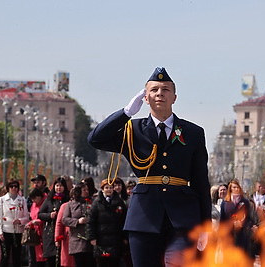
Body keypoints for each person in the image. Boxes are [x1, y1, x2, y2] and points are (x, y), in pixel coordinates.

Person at [88, 67, 211, 267]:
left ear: (175, 97)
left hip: (183, 215)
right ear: (145, 97)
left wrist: (206, 224)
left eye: (165, 90)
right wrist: (126, 113)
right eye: (153, 90)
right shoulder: (132, 129)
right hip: (144, 216)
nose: (159, 94)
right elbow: (95, 139)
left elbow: (200, 180)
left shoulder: (193, 132)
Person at [89, 179, 128, 267]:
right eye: (106, 188)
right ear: (102, 189)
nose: (109, 190)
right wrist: (92, 237)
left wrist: (125, 237)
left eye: (111, 188)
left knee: (114, 262)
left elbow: (124, 220)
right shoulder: (96, 203)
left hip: (115, 239)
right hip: (101, 240)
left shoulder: (119, 202)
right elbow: (91, 221)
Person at [0, 180, 30, 267]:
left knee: (17, 256)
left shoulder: (22, 200)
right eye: (11, 186)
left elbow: (27, 217)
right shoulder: (2, 200)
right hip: (5, 231)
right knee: (5, 256)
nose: (14, 188)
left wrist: (20, 221)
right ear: (8, 188)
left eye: (16, 186)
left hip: (18, 232)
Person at [38, 177, 70, 267]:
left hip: (62, 232)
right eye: (57, 185)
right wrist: (49, 215)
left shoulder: (67, 199)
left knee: (61, 258)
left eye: (61, 186)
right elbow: (40, 214)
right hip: (49, 232)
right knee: (50, 258)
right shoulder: (49, 199)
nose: (59, 188)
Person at [220, 179, 255, 260]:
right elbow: (222, 220)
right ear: (230, 189)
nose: (236, 189)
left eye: (237, 187)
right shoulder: (225, 203)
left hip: (242, 235)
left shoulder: (245, 202)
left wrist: (243, 223)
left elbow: (249, 218)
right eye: (234, 187)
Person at [62, 182, 95, 267]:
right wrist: (77, 221)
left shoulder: (92, 202)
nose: (86, 191)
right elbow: (64, 220)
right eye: (84, 190)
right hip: (77, 240)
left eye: (87, 189)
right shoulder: (71, 204)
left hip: (90, 240)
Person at [55, 177, 75, 267]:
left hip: (78, 238)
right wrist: (57, 238)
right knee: (67, 261)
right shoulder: (65, 206)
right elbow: (59, 223)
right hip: (67, 237)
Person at [26, 188, 48, 267]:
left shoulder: (46, 202)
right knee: (34, 259)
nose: (33, 201)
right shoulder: (34, 205)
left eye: (34, 198)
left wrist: (39, 221)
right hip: (35, 235)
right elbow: (32, 216)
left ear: (39, 196)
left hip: (45, 232)